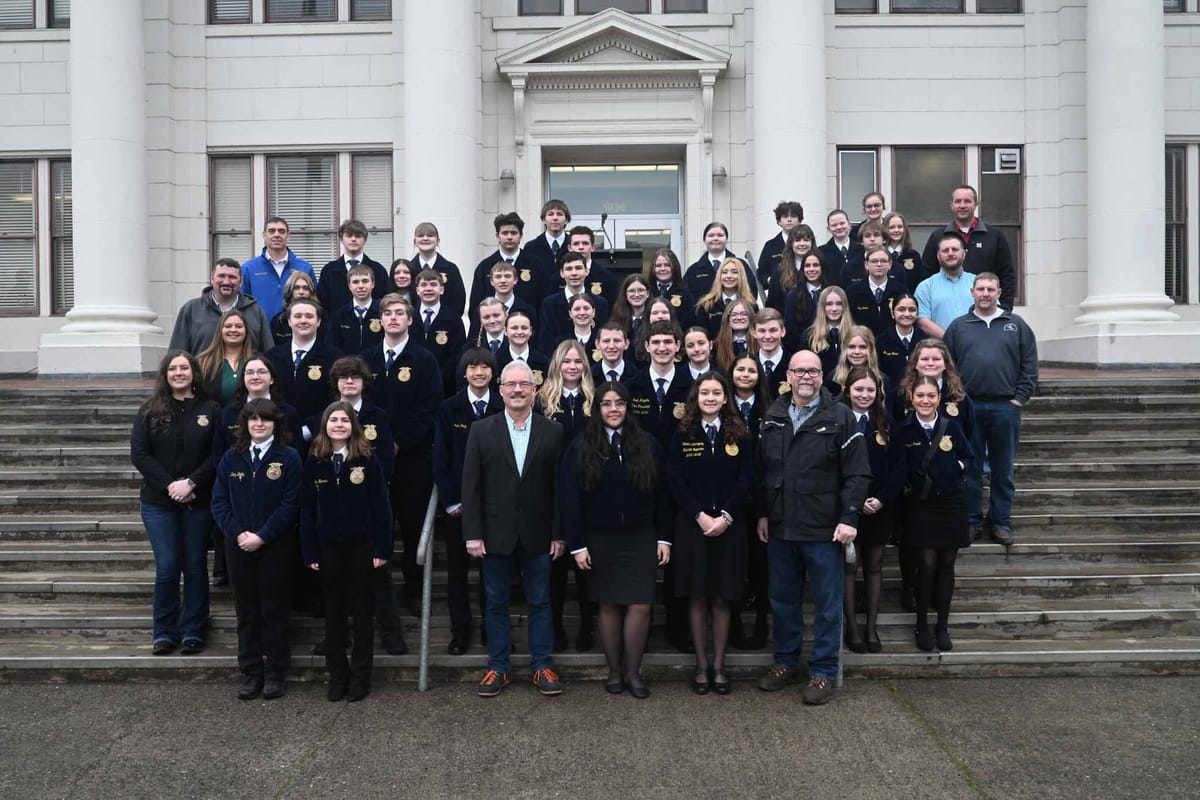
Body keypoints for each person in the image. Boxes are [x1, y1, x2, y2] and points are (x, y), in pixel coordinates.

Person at [755, 350, 870, 706]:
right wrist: (762, 513)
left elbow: (857, 474)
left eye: (813, 371)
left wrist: (849, 518)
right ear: (787, 376)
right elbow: (763, 472)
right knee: (783, 601)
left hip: (824, 530)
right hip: (781, 528)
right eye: (799, 371)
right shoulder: (772, 416)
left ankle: (822, 671)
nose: (806, 377)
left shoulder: (840, 416)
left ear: (823, 376)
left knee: (827, 604)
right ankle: (785, 663)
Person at [462, 360, 566, 698]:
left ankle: (541, 666)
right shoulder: (481, 430)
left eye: (524, 384)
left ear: (535, 390)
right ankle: (498, 667)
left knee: (540, 600)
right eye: (511, 384)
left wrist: (558, 532)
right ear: (501, 389)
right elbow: (471, 487)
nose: (518, 390)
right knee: (494, 601)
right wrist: (472, 533)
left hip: (539, 532)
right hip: (494, 533)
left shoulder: (553, 431)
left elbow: (558, 486)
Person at [561, 381, 669, 698]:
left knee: (640, 605)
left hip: (641, 537)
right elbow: (569, 498)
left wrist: (664, 538)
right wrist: (577, 544)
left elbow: (663, 496)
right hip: (599, 538)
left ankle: (633, 673)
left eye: (619, 403)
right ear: (597, 409)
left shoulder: (648, 444)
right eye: (606, 403)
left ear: (628, 407)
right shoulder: (581, 445)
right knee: (608, 604)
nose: (613, 409)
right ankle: (613, 672)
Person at [301, 401, 393, 702]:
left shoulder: (367, 459)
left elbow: (381, 507)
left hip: (363, 547)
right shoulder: (314, 460)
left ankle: (360, 677)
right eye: (333, 420)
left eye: (344, 420)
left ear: (353, 426)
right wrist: (310, 550)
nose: (339, 425)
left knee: (363, 614)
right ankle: (337, 676)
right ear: (324, 425)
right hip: (328, 548)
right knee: (334, 615)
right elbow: (306, 509)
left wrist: (381, 548)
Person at [129, 351, 220, 656]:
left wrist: (192, 482)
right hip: (158, 502)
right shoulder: (149, 410)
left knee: (194, 565)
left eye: (184, 368)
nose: (179, 373)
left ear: (194, 372)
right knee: (167, 567)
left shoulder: (211, 409)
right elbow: (140, 454)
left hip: (199, 500)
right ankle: (164, 631)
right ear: (165, 374)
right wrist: (171, 485)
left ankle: (193, 628)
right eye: (173, 368)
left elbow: (217, 454)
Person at [211, 398, 302, 700]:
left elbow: (291, 504)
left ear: (276, 424)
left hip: (275, 546)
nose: (258, 424)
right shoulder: (230, 458)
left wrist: (262, 536)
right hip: (238, 547)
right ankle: (251, 672)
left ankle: (276, 672)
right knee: (246, 611)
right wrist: (238, 534)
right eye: (253, 419)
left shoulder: (288, 458)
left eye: (265, 419)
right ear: (245, 423)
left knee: (274, 610)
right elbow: (219, 503)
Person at [668, 372, 752, 695]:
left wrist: (727, 516)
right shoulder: (683, 433)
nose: (711, 398)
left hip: (730, 529)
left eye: (717, 393)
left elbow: (746, 479)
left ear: (726, 397)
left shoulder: (739, 433)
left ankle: (719, 666)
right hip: (693, 528)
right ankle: (701, 666)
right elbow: (674, 479)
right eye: (705, 393)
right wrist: (700, 516)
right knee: (698, 595)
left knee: (722, 596)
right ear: (696, 397)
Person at [359, 293, 443, 613]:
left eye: (399, 313)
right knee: (374, 528)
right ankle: (375, 594)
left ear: (410, 319)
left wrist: (399, 442)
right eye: (387, 313)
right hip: (371, 460)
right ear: (380, 320)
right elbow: (359, 405)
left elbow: (430, 410)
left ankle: (413, 592)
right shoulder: (365, 359)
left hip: (412, 461)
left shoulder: (424, 360)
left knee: (411, 529)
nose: (393, 318)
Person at [944, 271, 1039, 546]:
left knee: (1002, 468)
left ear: (998, 293)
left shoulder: (1016, 324)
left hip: (1004, 407)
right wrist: (955, 400)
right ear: (972, 292)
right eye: (981, 289)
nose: (985, 293)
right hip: (968, 406)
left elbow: (1029, 365)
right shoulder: (959, 326)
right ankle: (972, 520)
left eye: (990, 289)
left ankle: (1000, 521)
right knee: (969, 468)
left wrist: (1019, 398)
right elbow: (946, 366)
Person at [626, 320, 694, 651]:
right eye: (657, 342)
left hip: (681, 483)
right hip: (642, 483)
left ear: (678, 347)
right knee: (641, 560)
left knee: (678, 561)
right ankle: (642, 629)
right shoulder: (633, 385)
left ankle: (677, 628)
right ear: (647, 346)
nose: (663, 347)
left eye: (670, 342)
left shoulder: (692, 386)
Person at [896, 376, 974, 652]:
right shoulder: (903, 429)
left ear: (939, 398)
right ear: (911, 397)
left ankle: (942, 625)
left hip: (952, 503)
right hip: (922, 505)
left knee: (946, 564)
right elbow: (899, 466)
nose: (926, 401)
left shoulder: (950, 425)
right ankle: (921, 625)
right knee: (927, 563)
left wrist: (957, 469)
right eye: (920, 396)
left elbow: (969, 455)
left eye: (931, 396)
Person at [433, 348, 502, 655]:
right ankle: (460, 633)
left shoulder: (503, 405)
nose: (479, 373)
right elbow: (442, 458)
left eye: (485, 367)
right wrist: (451, 502)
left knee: (495, 575)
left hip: (496, 507)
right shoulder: (450, 408)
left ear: (492, 373)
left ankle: (493, 631)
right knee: (457, 576)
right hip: (459, 508)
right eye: (473, 368)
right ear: (464, 373)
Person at [839, 367, 904, 654]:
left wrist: (880, 499)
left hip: (879, 508)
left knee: (875, 565)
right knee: (850, 567)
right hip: (847, 508)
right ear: (848, 391)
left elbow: (900, 467)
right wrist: (852, 501)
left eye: (869, 390)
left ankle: (871, 628)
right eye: (858, 389)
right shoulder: (836, 420)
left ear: (877, 392)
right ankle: (852, 628)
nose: (864, 395)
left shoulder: (887, 423)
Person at [537, 340, 596, 652]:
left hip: (589, 492)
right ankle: (556, 628)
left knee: (587, 568)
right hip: (551, 491)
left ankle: (588, 627)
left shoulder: (594, 399)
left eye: (577, 361)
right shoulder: (542, 400)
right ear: (557, 364)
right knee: (555, 567)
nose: (572, 366)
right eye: (566, 361)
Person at [728, 355, 769, 649]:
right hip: (730, 501)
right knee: (735, 565)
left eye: (751, 370)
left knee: (762, 565)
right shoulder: (721, 406)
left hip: (763, 499)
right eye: (740, 369)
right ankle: (734, 626)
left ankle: (761, 622)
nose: (745, 374)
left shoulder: (770, 408)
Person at [920, 184, 1017, 308]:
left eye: (967, 201)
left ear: (976, 204)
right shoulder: (938, 236)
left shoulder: (995, 236)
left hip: (986, 308)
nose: (962, 205)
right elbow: (926, 273)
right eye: (958, 201)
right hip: (948, 308)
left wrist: (1005, 308)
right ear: (951, 205)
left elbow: (1006, 275)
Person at [265, 298, 342, 438]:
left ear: (318, 321)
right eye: (297, 316)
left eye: (309, 316)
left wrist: (311, 429)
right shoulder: (272, 356)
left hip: (319, 437)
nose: (303, 321)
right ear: (289, 321)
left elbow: (336, 398)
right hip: (277, 433)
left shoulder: (334, 357)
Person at [169, 258, 273, 355]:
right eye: (221, 276)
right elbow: (177, 353)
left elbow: (269, 355)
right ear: (212, 278)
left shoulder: (255, 312)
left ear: (241, 281)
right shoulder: (191, 310)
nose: (226, 282)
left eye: (232, 277)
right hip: (203, 374)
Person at [240, 217, 317, 324]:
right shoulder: (249, 268)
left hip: (295, 332)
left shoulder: (304, 268)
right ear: (264, 235)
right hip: (260, 332)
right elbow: (242, 304)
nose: (276, 235)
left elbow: (313, 302)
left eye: (281, 231)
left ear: (288, 236)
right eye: (271, 231)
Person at [469, 212, 549, 311]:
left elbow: (544, 302)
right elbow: (475, 306)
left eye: (514, 233)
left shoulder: (536, 265)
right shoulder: (485, 267)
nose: (509, 237)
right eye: (505, 233)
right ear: (498, 236)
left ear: (521, 236)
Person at [410, 268, 467, 397]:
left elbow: (458, 355)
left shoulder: (454, 319)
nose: (428, 289)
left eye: (433, 284)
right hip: (412, 384)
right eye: (423, 285)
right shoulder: (408, 318)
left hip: (445, 388)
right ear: (417, 290)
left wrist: (439, 378)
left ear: (442, 289)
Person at [316, 219, 389, 314]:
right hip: (337, 327)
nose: (353, 239)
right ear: (341, 239)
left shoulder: (378, 271)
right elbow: (322, 306)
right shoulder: (329, 271)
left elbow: (384, 303)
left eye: (358, 236)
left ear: (365, 240)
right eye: (349, 235)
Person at [539, 251, 610, 345]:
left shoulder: (600, 303)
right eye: (569, 269)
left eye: (578, 268)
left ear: (587, 271)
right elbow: (546, 340)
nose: (574, 273)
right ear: (562, 273)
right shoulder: (549, 304)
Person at [915, 232, 975, 339]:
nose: (950, 253)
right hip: (941, 350)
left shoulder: (977, 282)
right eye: (945, 250)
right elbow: (922, 321)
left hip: (975, 347)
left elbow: (992, 311)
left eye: (955, 249)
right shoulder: (925, 287)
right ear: (938, 256)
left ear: (963, 254)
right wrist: (950, 339)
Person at [466, 260, 538, 342]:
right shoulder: (482, 310)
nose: (503, 281)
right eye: (498, 277)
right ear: (491, 282)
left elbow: (534, 342)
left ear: (515, 280)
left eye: (507, 276)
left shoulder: (528, 311)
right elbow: (472, 340)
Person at [195, 309, 254, 407]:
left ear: (246, 331)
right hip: (215, 419)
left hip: (251, 419)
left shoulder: (256, 361)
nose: (233, 330)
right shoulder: (203, 362)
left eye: (239, 326)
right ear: (220, 331)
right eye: (228, 326)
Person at [685, 222, 758, 299]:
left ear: (726, 239)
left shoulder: (741, 265)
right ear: (704, 240)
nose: (715, 238)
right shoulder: (693, 270)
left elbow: (751, 292)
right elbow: (687, 298)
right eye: (711, 235)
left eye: (720, 235)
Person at [410, 221, 467, 319]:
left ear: (438, 241)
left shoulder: (451, 269)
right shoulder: (407, 270)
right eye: (420, 235)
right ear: (415, 241)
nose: (425, 238)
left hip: (445, 326)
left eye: (430, 235)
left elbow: (458, 301)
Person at [847, 246, 908, 337]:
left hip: (891, 345)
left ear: (890, 264)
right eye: (874, 261)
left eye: (883, 261)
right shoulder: (852, 292)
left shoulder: (901, 291)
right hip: (862, 343)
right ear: (866, 264)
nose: (879, 264)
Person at [804, 286, 856, 391]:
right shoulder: (809, 336)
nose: (834, 309)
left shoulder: (855, 334)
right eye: (829, 304)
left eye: (839, 304)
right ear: (822, 307)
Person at [782, 251, 834, 351]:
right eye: (807, 266)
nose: (811, 269)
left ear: (822, 267)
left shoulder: (832, 292)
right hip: (802, 350)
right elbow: (790, 329)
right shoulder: (793, 296)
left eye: (815, 265)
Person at [327, 264, 383, 354]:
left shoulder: (383, 313)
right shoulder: (339, 315)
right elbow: (332, 346)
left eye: (365, 281)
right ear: (349, 285)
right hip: (346, 366)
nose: (360, 286)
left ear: (373, 284)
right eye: (355, 282)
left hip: (376, 366)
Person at [695, 257, 758, 337]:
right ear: (719, 276)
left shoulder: (751, 305)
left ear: (741, 276)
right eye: (724, 272)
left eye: (734, 272)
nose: (729, 276)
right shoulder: (706, 305)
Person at [765, 224, 819, 313]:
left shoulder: (822, 266)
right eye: (797, 240)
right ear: (791, 244)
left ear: (812, 243)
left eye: (806, 240)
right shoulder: (780, 271)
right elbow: (773, 304)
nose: (802, 244)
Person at [564, 225, 621, 307]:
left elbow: (613, 309)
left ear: (593, 247)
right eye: (576, 244)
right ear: (569, 248)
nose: (581, 247)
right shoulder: (558, 278)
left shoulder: (607, 278)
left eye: (585, 243)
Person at [875, 293, 925, 387]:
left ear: (917, 313)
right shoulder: (881, 341)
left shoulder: (924, 340)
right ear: (892, 313)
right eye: (901, 309)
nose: (907, 314)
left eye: (912, 310)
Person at [644, 248, 697, 329]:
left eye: (667, 265)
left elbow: (688, 322)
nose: (662, 269)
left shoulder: (685, 294)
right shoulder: (646, 292)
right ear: (653, 269)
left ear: (674, 267)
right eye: (658, 265)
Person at [757, 200, 804, 289]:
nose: (789, 219)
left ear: (799, 220)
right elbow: (761, 272)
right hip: (777, 295)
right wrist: (770, 280)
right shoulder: (770, 246)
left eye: (793, 216)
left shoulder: (807, 244)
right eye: (785, 216)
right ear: (779, 221)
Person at [521, 199, 571, 275]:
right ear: (543, 219)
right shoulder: (531, 247)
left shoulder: (574, 245)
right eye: (550, 214)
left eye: (560, 214)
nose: (555, 218)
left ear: (567, 220)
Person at [750, 307, 791, 398]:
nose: (767, 336)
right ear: (754, 333)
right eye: (762, 331)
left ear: (783, 331)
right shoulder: (748, 365)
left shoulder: (794, 365)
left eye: (773, 330)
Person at [817, 209, 863, 288]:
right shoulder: (821, 252)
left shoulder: (861, 250)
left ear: (849, 224)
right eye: (834, 225)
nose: (839, 227)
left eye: (842, 223)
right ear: (828, 229)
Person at [269, 271, 317, 347]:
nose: (301, 292)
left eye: (305, 288)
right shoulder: (278, 321)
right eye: (296, 288)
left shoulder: (322, 318)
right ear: (290, 291)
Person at [883, 212, 928, 291]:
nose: (896, 230)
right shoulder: (880, 256)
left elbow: (920, 282)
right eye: (892, 227)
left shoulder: (914, 255)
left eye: (900, 227)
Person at [592, 321, 641, 386]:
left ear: (626, 344)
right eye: (606, 341)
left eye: (617, 341)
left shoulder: (638, 376)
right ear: (597, 344)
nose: (611, 346)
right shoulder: (589, 377)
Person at [712, 300, 755, 373]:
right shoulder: (717, 346)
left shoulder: (760, 342)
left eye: (744, 314)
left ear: (750, 316)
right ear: (727, 318)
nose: (739, 318)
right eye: (734, 314)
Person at [609, 273, 651, 339]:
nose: (636, 295)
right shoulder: (616, 320)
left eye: (641, 290)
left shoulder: (654, 318)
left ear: (648, 293)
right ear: (625, 294)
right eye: (632, 291)